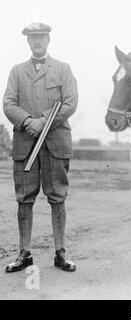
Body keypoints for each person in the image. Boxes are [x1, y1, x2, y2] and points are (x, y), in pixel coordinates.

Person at [3, 22, 78, 272]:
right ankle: (25, 254)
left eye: (41, 37)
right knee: (24, 199)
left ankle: (61, 253)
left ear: (48, 40)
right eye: (33, 38)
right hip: (26, 143)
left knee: (58, 198)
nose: (37, 41)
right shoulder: (16, 71)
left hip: (55, 143)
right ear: (27, 41)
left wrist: (43, 121)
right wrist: (27, 122)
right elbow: (8, 103)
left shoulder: (63, 69)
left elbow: (70, 103)